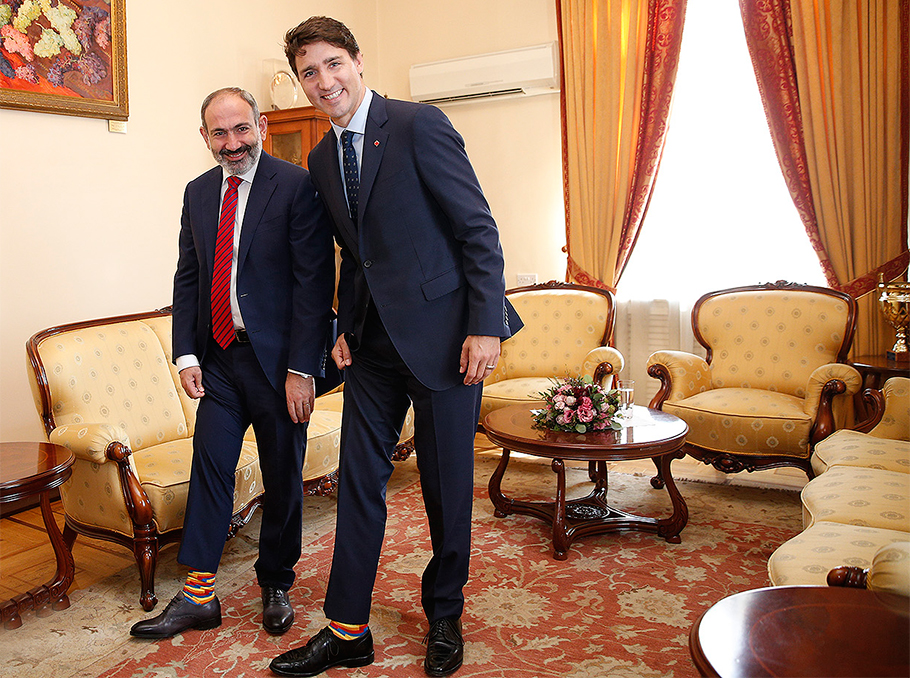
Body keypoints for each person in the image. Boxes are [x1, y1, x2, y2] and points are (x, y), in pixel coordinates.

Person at [269, 16, 522, 678]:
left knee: (445, 491)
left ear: (356, 61)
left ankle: (444, 616)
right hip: (374, 349)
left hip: (447, 342)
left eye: (332, 64)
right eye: (309, 73)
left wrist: (485, 325)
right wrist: (343, 330)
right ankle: (347, 629)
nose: (324, 81)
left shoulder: (418, 125)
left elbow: (478, 229)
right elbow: (353, 258)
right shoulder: (321, 158)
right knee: (359, 484)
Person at [130, 87, 335, 640]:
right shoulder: (198, 193)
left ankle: (276, 582)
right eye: (219, 133)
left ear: (261, 125)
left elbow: (313, 284)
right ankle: (199, 595)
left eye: (241, 129)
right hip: (219, 359)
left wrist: (302, 368)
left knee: (282, 475)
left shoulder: (294, 185)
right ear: (205, 137)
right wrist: (187, 353)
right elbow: (189, 275)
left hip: (277, 365)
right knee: (211, 467)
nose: (231, 143)